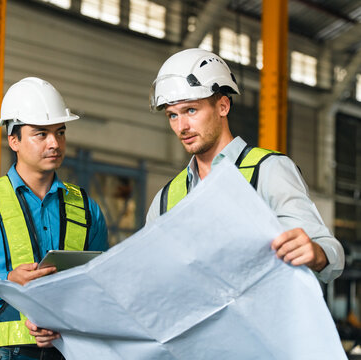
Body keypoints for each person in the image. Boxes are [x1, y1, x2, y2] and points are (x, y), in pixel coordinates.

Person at [0, 77, 109, 360]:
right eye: (41, 134)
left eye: (60, 132)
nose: (54, 143)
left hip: (70, 352)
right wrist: (7, 283)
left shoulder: (88, 210)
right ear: (13, 139)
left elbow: (102, 285)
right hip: (4, 355)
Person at [146, 48, 344, 283]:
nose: (182, 127)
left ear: (223, 106)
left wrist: (316, 254)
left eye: (191, 110)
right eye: (172, 115)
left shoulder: (269, 171)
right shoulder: (165, 199)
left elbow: (330, 251)